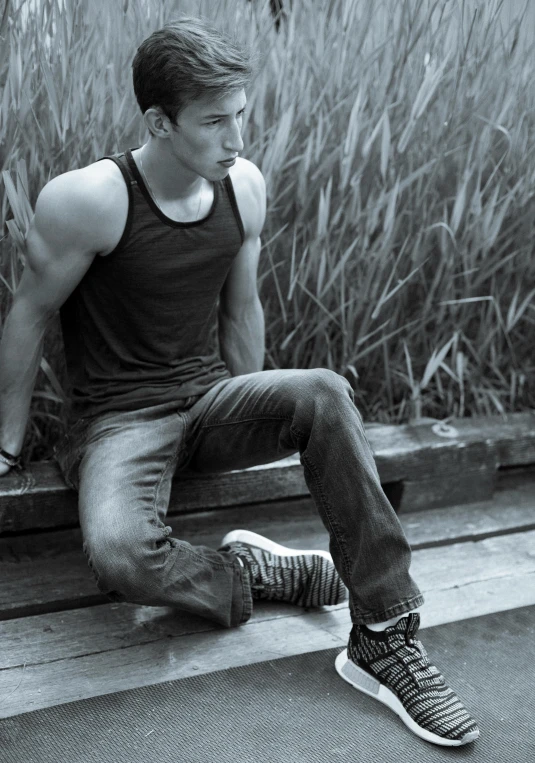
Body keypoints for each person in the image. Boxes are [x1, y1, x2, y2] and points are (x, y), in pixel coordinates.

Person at [0, 16, 479, 747]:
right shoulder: (91, 198)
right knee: (122, 552)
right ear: (159, 122)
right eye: (215, 121)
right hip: (117, 422)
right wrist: (6, 446)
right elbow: (29, 315)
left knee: (322, 388)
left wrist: (245, 412)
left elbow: (242, 306)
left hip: (207, 403)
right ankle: (249, 571)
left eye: (242, 115)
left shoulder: (241, 186)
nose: (237, 139)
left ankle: (383, 634)